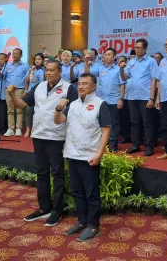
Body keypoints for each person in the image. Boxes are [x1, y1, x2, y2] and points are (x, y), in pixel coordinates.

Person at [8, 60, 77, 227]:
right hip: (39, 135)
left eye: (52, 70)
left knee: (57, 173)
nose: (48, 73)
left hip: (56, 136)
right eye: (47, 70)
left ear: (60, 72)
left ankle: (57, 210)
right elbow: (22, 104)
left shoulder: (68, 88)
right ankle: (44, 207)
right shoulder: (38, 87)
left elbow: (75, 111)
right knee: (41, 172)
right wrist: (12, 95)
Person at [55, 73, 111, 241]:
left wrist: (99, 154)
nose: (80, 86)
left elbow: (106, 130)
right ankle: (81, 221)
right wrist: (58, 109)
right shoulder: (72, 104)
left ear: (93, 87)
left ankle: (93, 225)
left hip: (89, 156)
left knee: (91, 193)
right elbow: (58, 121)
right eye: (79, 83)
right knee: (76, 191)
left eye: (85, 83)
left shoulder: (101, 104)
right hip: (72, 154)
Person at [119, 38, 157, 156]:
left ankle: (149, 146)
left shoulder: (151, 61)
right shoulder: (132, 62)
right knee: (134, 122)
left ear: (145, 49)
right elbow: (125, 78)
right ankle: (136, 144)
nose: (137, 50)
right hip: (132, 96)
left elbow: (154, 79)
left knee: (147, 122)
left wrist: (151, 98)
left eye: (139, 48)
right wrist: (121, 68)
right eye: (135, 48)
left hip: (145, 96)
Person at [86, 47, 126, 152]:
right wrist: (87, 62)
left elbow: (122, 85)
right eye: (105, 54)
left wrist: (121, 99)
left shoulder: (118, 69)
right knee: (102, 122)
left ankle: (113, 145)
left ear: (114, 57)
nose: (106, 56)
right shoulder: (100, 68)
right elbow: (88, 73)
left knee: (114, 123)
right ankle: (104, 143)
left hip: (114, 100)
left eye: (109, 54)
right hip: (101, 101)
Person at [2, 48, 30, 137]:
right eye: (13, 54)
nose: (14, 55)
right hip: (9, 90)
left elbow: (27, 79)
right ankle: (10, 129)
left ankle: (18, 128)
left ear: (21, 55)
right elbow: (2, 76)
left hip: (20, 89)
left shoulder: (25, 66)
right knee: (10, 110)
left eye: (17, 54)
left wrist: (26, 90)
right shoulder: (7, 65)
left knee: (19, 110)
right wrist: (1, 69)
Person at [24, 53, 45, 138]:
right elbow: (27, 81)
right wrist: (31, 71)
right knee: (29, 112)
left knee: (40, 112)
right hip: (31, 93)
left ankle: (37, 130)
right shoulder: (32, 69)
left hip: (42, 94)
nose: (37, 61)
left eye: (39, 59)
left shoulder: (45, 69)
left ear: (43, 60)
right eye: (36, 59)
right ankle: (28, 130)